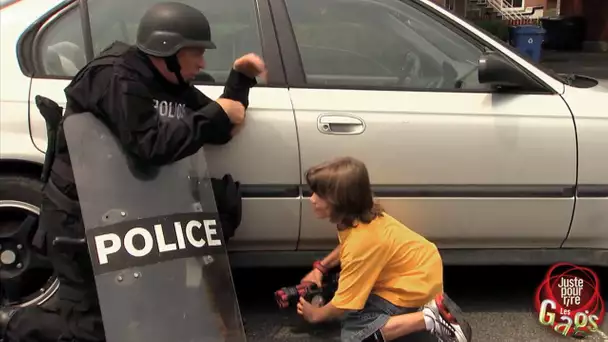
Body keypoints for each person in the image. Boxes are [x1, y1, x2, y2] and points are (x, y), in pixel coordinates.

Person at [1, 2, 266, 342]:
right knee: (92, 329)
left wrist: (239, 81)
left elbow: (217, 128)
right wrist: (216, 113)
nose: (201, 63)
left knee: (140, 314)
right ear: (168, 49)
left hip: (121, 213)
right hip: (78, 216)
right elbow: (150, 147)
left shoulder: (168, 79)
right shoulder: (115, 78)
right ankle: (11, 324)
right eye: (196, 53)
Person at [296, 157, 473, 342]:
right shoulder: (359, 220)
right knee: (345, 295)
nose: (312, 199)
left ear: (341, 200)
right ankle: (422, 313)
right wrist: (321, 267)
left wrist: (316, 315)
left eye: (319, 194)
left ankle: (429, 318)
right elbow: (348, 247)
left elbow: (343, 303)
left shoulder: (361, 240)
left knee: (354, 335)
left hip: (415, 284)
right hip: (421, 268)